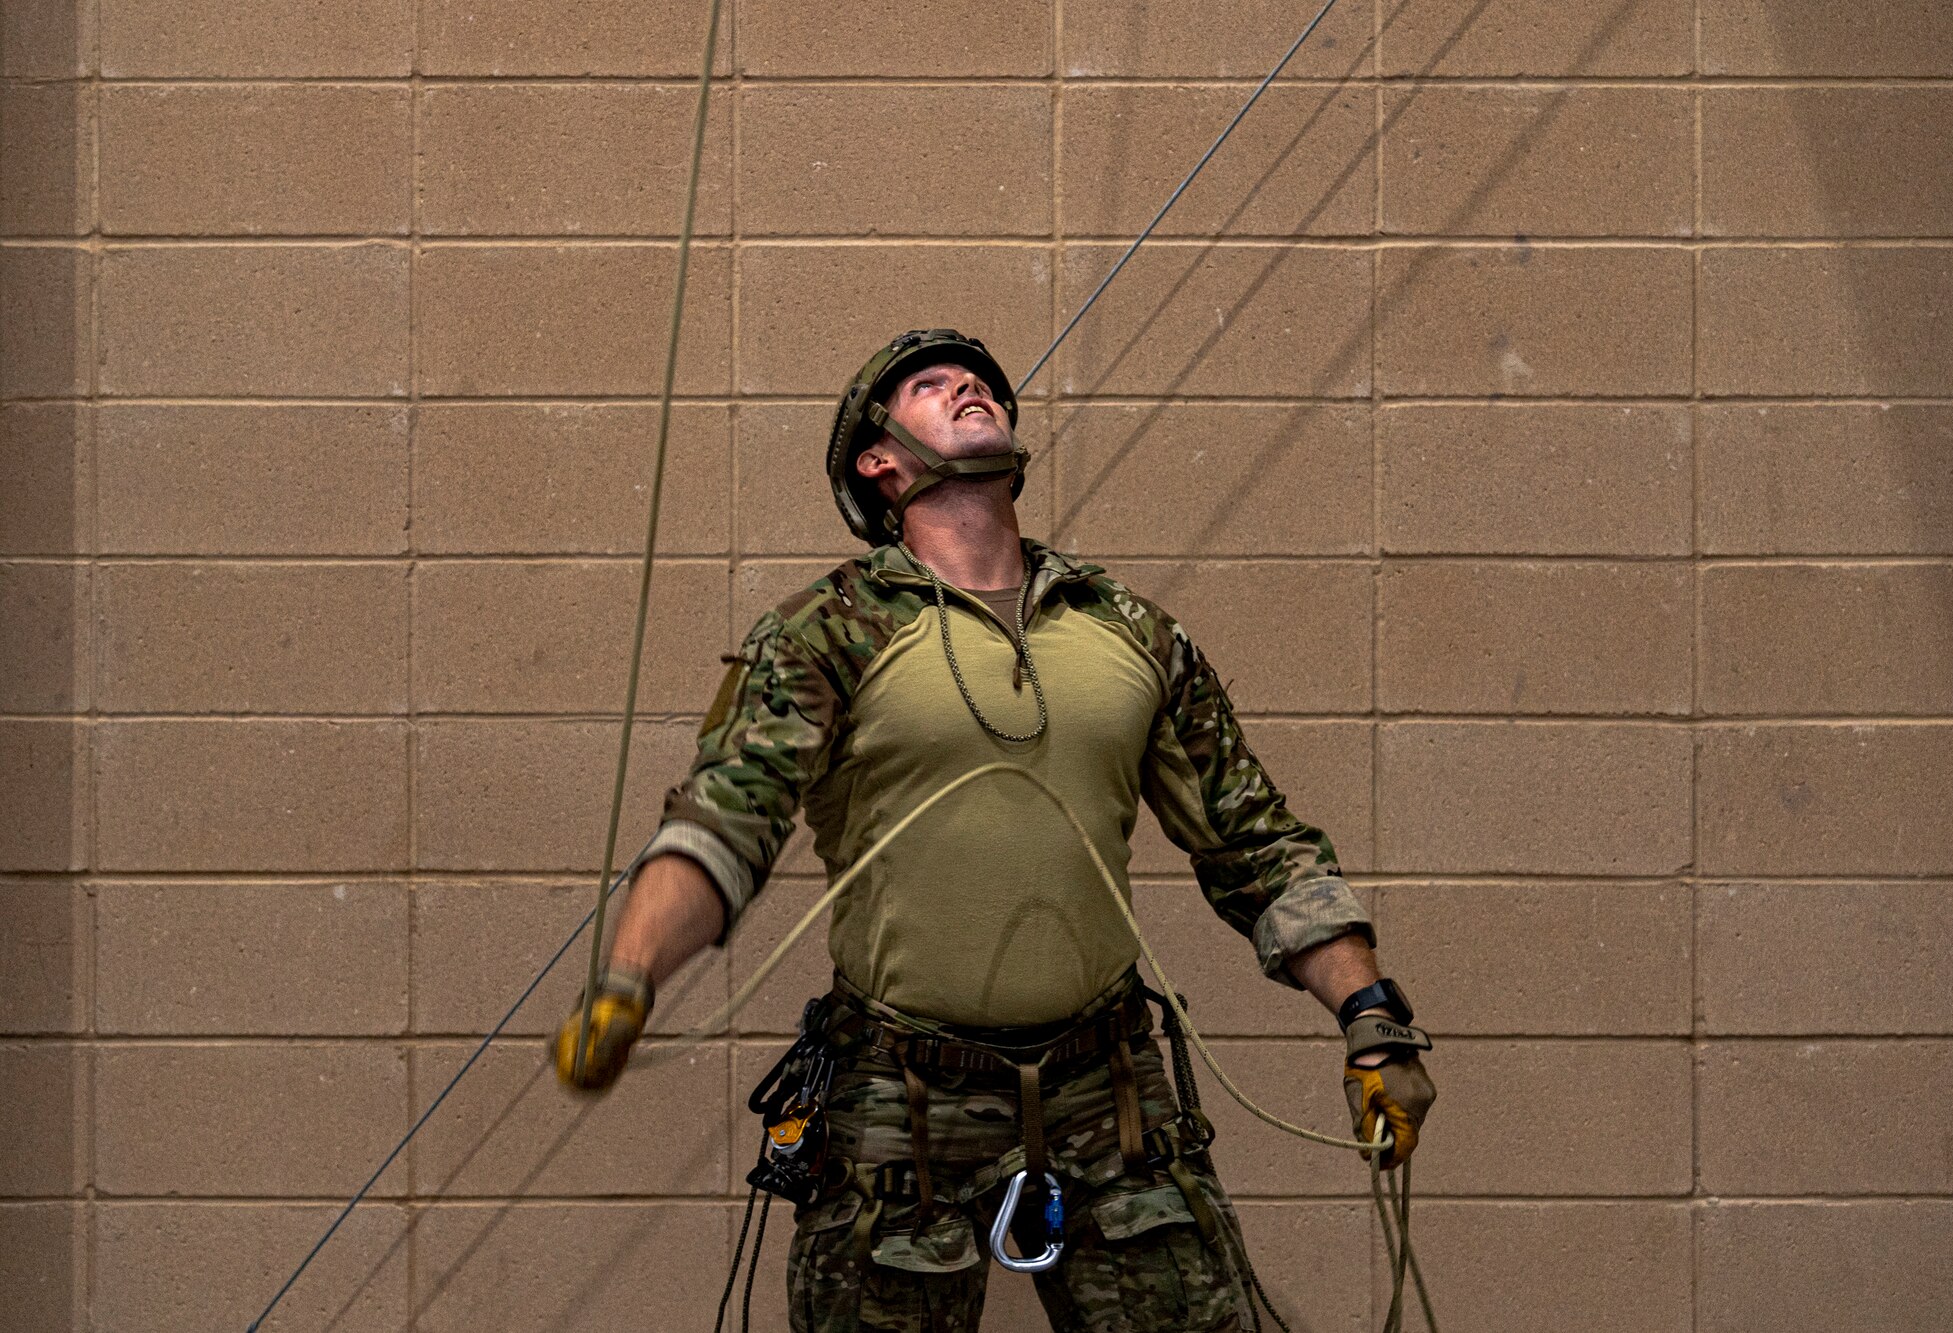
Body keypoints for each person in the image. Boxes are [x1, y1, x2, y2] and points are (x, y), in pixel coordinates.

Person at [554, 329, 1436, 1331]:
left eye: (977, 381)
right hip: (899, 1098)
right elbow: (724, 821)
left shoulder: (1127, 630)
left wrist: (1370, 1014)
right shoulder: (827, 632)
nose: (967, 386)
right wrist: (627, 980)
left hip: (1109, 1092)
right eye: (928, 386)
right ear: (877, 463)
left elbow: (1256, 845)